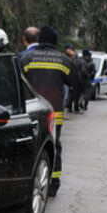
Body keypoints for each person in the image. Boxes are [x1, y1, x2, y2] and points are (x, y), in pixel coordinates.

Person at [19, 25, 73, 196]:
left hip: (30, 113)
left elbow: (17, 85)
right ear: (55, 41)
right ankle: (53, 183)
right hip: (53, 115)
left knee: (28, 147)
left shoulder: (26, 58)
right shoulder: (63, 60)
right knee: (54, 147)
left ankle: (25, 183)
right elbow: (75, 82)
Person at [65, 45, 85, 114]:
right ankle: (73, 108)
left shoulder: (75, 61)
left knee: (74, 94)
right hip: (74, 80)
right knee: (74, 95)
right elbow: (82, 71)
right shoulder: (73, 60)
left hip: (75, 80)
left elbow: (82, 71)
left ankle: (71, 108)